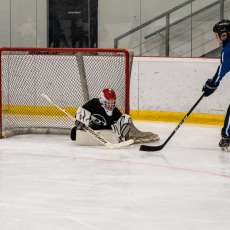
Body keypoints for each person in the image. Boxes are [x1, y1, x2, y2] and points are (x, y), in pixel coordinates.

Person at [70, 88, 159, 144]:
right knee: (74, 134)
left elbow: (121, 123)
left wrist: (125, 133)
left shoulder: (115, 112)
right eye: (108, 102)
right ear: (101, 100)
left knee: (126, 118)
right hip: (90, 130)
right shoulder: (93, 103)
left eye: (112, 102)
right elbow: (79, 113)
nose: (110, 105)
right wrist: (79, 120)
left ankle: (136, 134)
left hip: (105, 132)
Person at [202, 19, 230, 149]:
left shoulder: (228, 49)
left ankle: (227, 137)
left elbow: (222, 70)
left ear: (225, 34)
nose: (216, 37)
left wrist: (212, 84)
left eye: (217, 34)